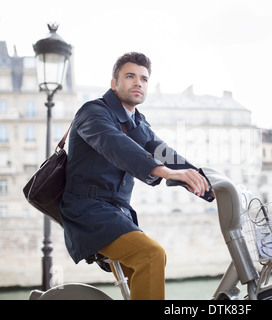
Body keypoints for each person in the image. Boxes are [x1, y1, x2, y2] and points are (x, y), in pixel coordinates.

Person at [60, 52, 214, 300]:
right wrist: (163, 171)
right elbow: (115, 144)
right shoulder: (93, 113)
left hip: (116, 214)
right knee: (151, 254)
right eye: (130, 76)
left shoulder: (137, 123)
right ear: (114, 83)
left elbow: (165, 152)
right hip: (87, 212)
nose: (138, 83)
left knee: (144, 280)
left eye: (144, 79)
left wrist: (209, 185)